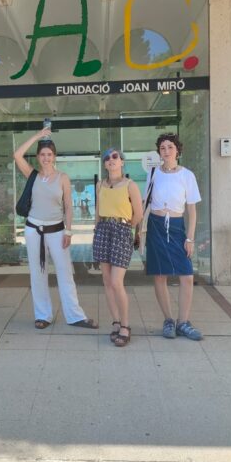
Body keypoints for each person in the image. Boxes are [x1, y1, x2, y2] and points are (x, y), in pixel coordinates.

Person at [13, 128, 95, 330]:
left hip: (56, 230)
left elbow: (68, 206)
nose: (46, 158)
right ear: (38, 157)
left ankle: (75, 315)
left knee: (65, 272)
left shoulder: (62, 177)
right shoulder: (32, 175)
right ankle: (43, 315)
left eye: (49, 154)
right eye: (42, 154)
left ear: (54, 156)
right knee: (37, 273)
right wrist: (37, 136)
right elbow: (17, 155)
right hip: (34, 230)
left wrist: (69, 231)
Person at [139, 133, 203, 341]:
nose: (166, 151)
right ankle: (168, 320)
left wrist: (190, 238)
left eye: (170, 147)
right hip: (156, 226)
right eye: (163, 148)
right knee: (160, 275)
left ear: (177, 150)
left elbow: (192, 210)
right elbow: (146, 203)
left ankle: (183, 322)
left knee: (187, 275)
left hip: (177, 226)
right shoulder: (153, 173)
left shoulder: (187, 175)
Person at [93, 147, 143, 346]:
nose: (111, 160)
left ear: (122, 162)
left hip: (121, 230)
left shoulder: (130, 185)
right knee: (106, 281)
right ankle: (115, 322)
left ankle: (125, 325)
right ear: (105, 164)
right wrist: (96, 231)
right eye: (107, 158)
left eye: (115, 157)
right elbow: (98, 211)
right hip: (103, 230)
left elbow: (138, 213)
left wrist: (127, 228)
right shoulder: (100, 185)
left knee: (116, 282)